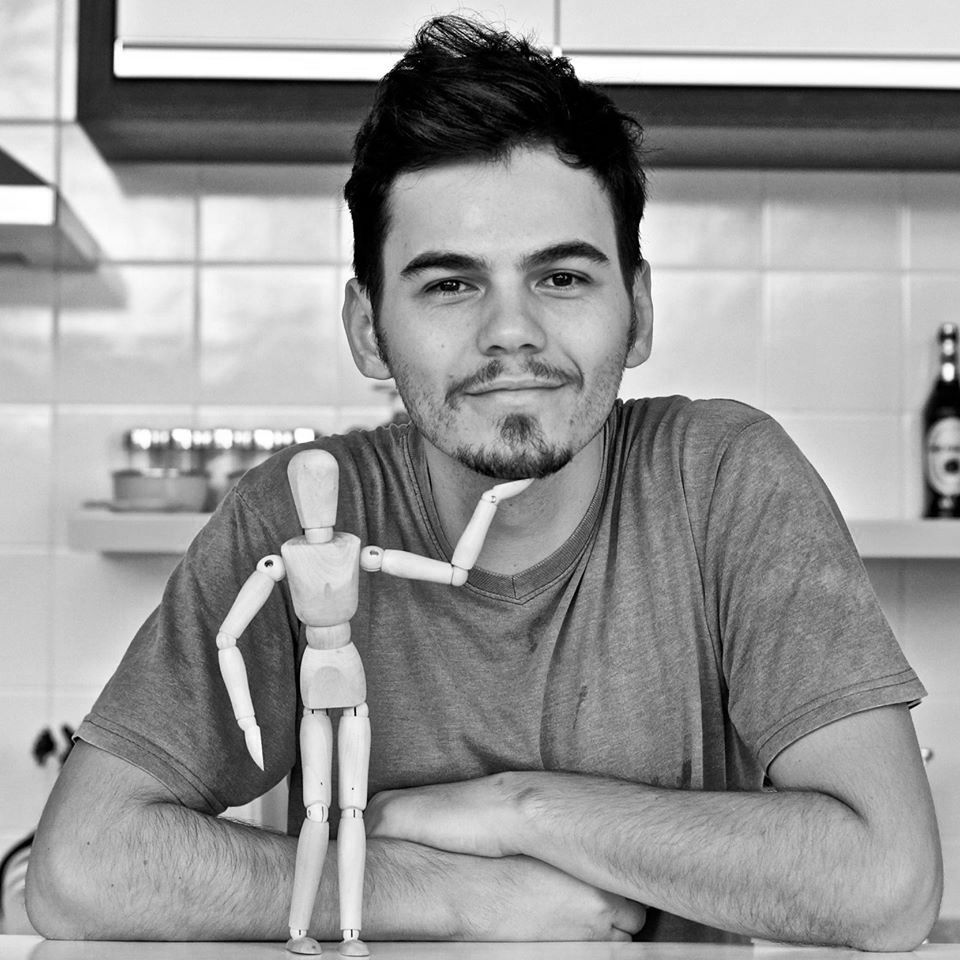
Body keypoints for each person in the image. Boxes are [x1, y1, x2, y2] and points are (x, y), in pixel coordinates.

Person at [27, 14, 940, 950]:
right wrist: (458, 894)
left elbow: (889, 885)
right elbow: (81, 867)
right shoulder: (306, 509)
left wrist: (520, 811)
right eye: (450, 284)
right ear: (368, 331)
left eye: (563, 278)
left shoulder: (724, 478)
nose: (511, 332)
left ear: (638, 312)